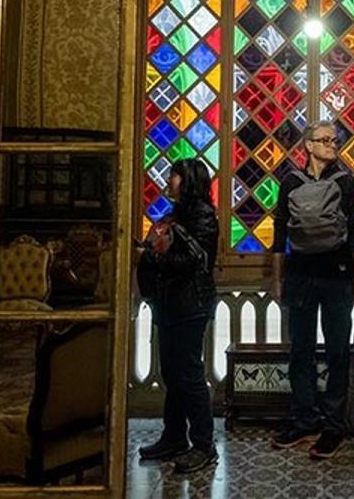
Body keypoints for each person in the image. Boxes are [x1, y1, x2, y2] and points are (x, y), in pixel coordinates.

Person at [269, 120, 354, 459]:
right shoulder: (289, 182)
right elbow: (280, 232)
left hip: (338, 275)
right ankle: (304, 419)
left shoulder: (346, 184)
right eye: (324, 140)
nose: (332, 144)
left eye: (335, 139)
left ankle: (333, 425)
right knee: (300, 349)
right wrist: (277, 279)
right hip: (299, 276)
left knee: (337, 351)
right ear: (308, 146)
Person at [136, 158, 219, 473]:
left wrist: (151, 257)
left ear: (190, 181)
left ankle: (203, 445)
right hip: (169, 303)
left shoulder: (204, 218)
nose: (168, 180)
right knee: (171, 374)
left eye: (174, 176)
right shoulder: (174, 215)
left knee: (189, 374)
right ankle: (173, 437)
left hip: (190, 304)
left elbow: (193, 262)